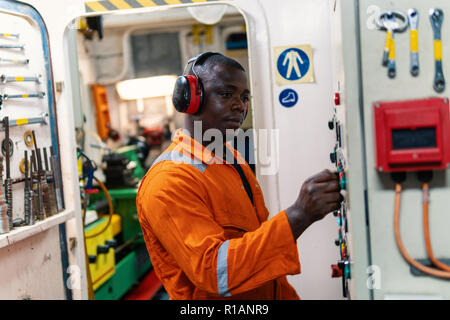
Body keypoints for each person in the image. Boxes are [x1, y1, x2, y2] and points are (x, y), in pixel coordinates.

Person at [136, 52, 343, 299]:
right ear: (190, 98)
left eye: (244, 97)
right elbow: (215, 272)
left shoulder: (230, 158)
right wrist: (298, 215)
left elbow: (254, 248)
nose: (239, 105)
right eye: (226, 94)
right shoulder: (169, 180)